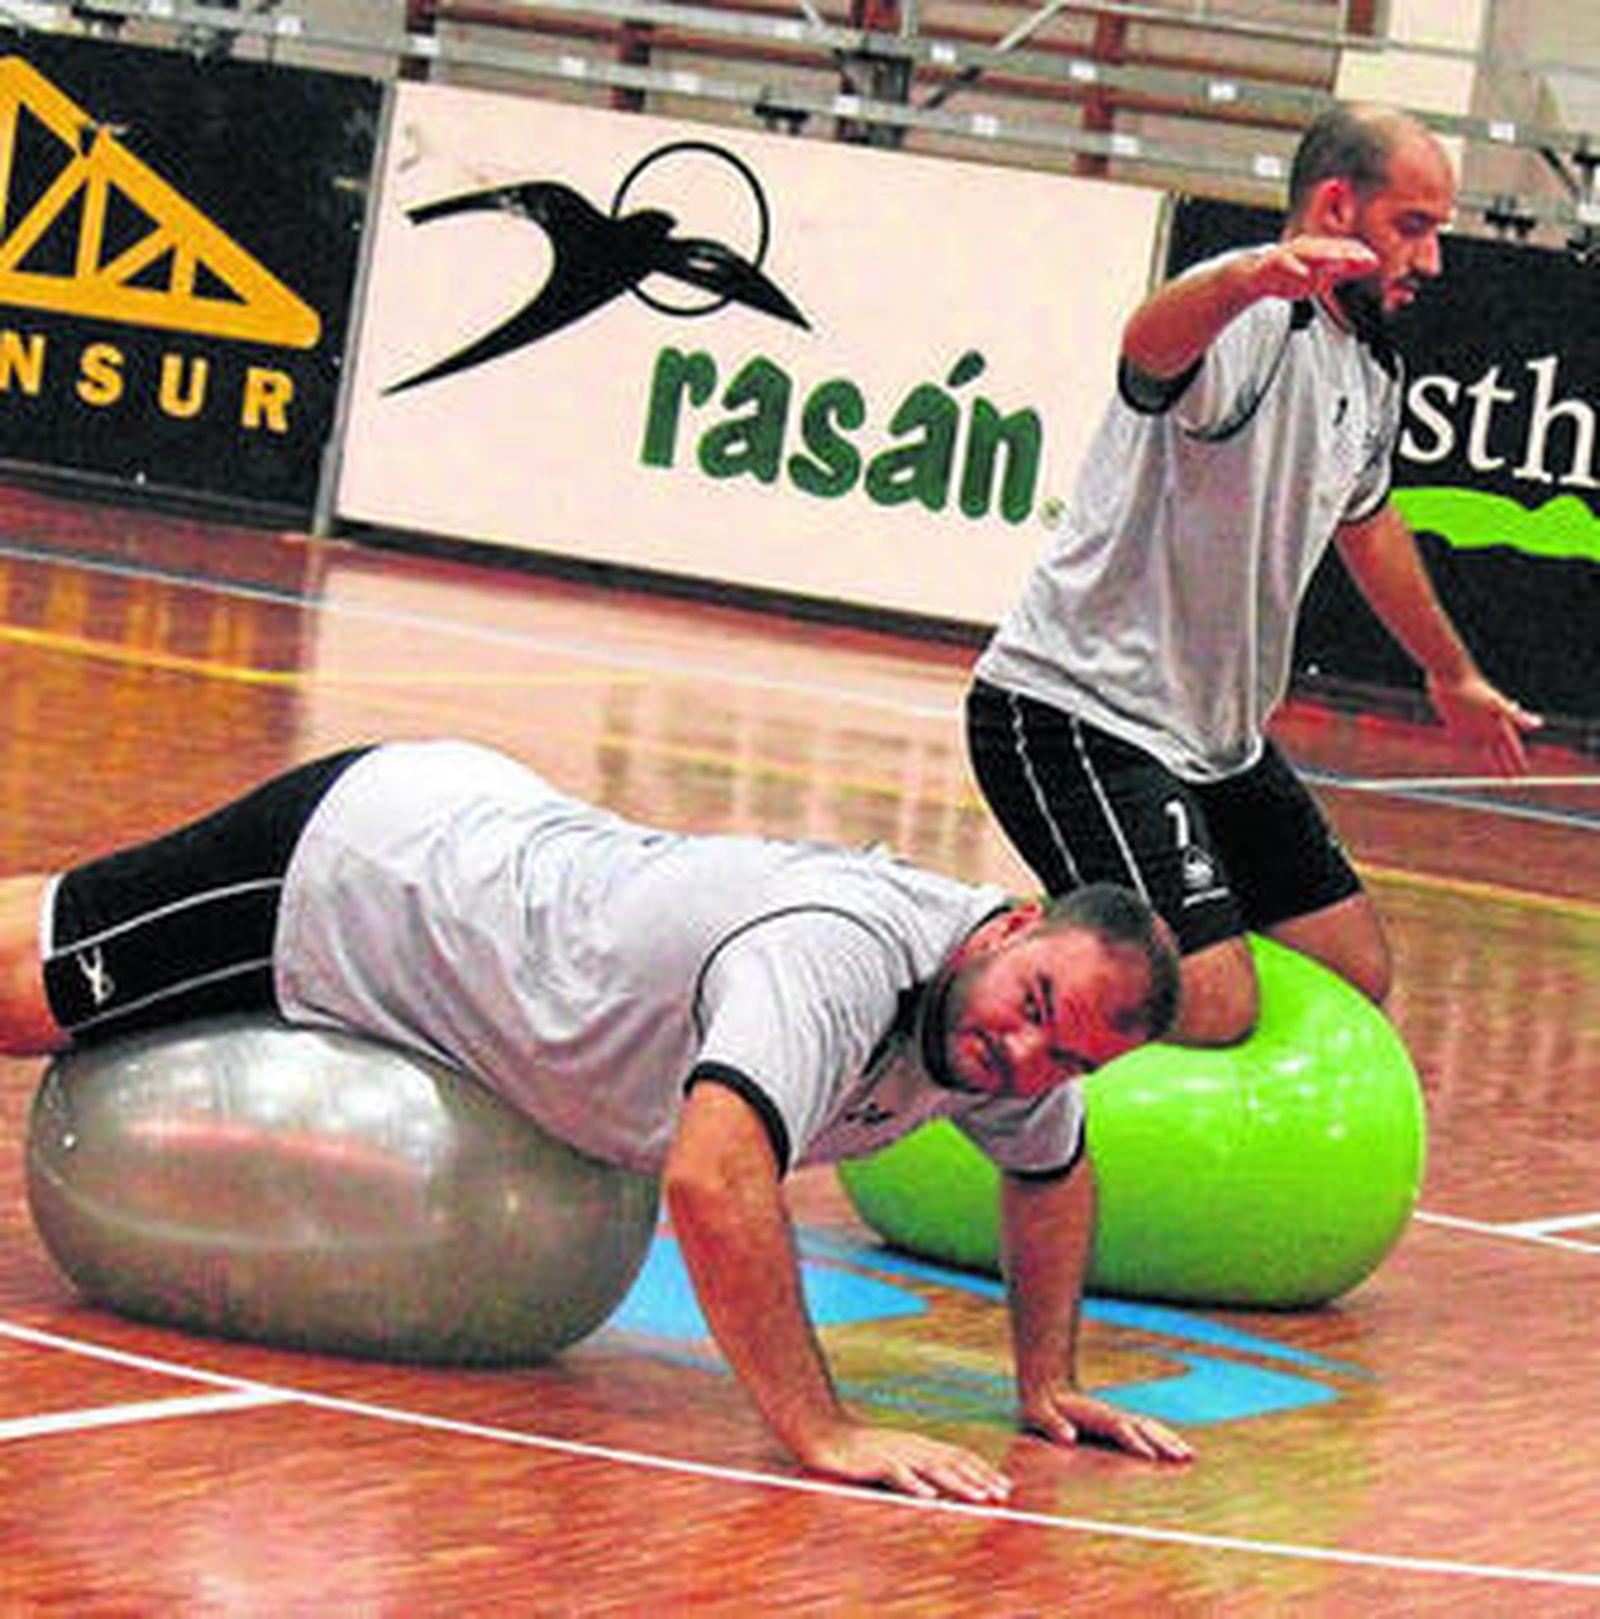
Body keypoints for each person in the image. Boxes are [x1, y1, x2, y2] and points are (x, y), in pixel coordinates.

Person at [0, 737, 1192, 1500]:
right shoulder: (834, 956)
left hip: (503, 863)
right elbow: (712, 1177)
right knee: (31, 987)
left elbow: (1053, 1172)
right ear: (1004, 927)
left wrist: (1047, 1378)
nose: (1023, 1054)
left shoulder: (1017, 1045)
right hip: (370, 876)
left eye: (1066, 1052)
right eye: (1033, 1007)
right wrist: (821, 1429)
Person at [967, 103, 1541, 1046]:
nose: (1432, 261)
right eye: (1414, 226)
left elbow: (1369, 525)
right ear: (1335, 205)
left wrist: (1451, 670)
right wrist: (1247, 277)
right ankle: (964, 974)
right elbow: (1147, 347)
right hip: (1077, 715)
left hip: (1217, 739)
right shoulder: (1243, 315)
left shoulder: (1372, 368)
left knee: (1355, 967)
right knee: (1215, 1002)